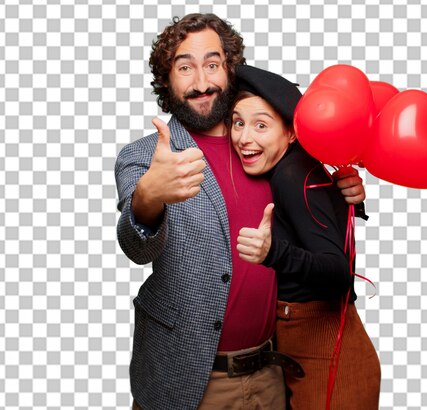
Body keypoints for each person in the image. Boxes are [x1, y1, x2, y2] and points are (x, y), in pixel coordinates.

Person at [114, 13, 366, 409]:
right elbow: (135, 245)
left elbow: (311, 217)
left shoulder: (259, 146)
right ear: (166, 80)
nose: (200, 83)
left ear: (230, 70)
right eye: (184, 68)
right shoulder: (145, 157)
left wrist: (343, 190)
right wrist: (150, 195)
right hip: (186, 380)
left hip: (273, 373)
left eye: (212, 65)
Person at [230, 65, 381, 409]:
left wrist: (273, 253)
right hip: (301, 342)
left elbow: (337, 273)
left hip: (326, 349)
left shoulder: (291, 176)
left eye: (261, 125)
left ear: (292, 134)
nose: (244, 138)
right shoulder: (294, 165)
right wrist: (351, 203)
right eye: (238, 122)